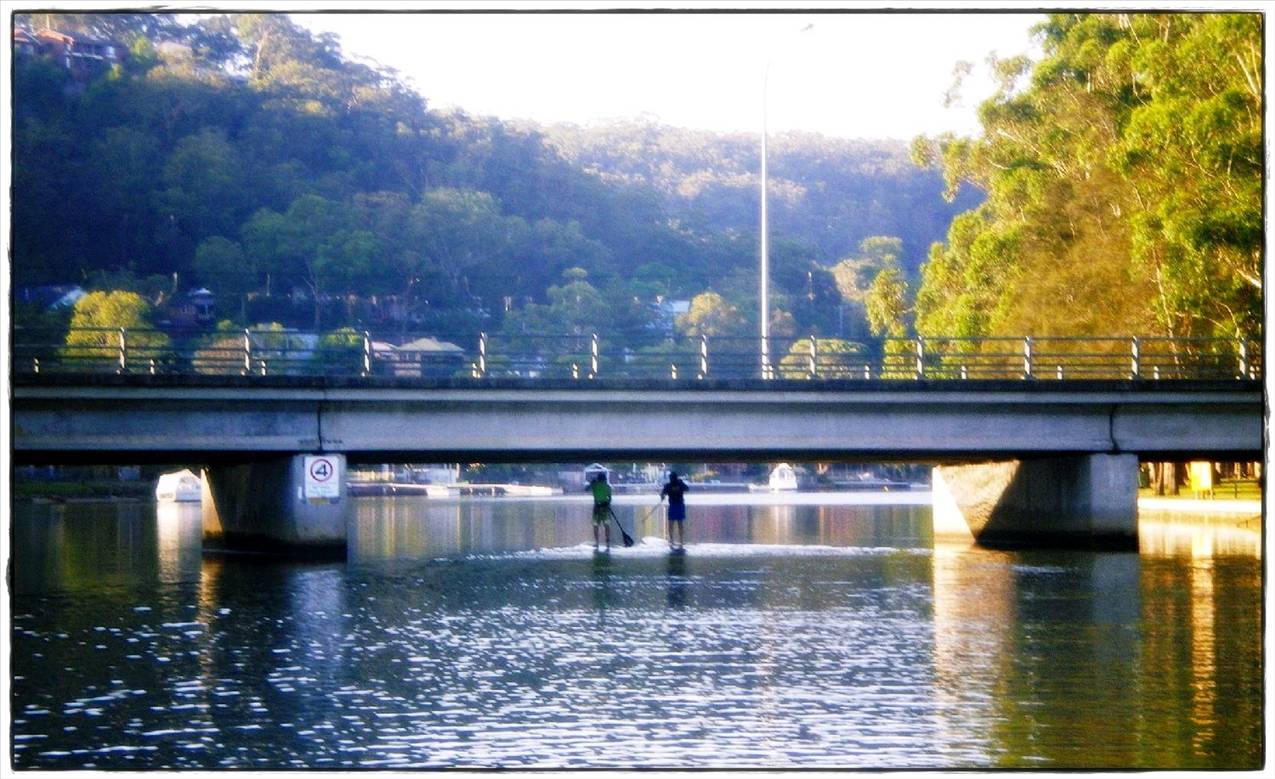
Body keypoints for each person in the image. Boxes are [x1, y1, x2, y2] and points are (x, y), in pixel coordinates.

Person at [660, 471, 690, 550]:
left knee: (678, 524)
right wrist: (662, 496)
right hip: (673, 505)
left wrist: (680, 485)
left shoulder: (679, 483)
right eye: (670, 478)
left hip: (679, 505)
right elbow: (662, 493)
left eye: (672, 478)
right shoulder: (668, 485)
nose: (671, 479)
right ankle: (672, 540)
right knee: (672, 524)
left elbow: (687, 488)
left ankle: (680, 540)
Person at [587, 472, 613, 549]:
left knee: (596, 525)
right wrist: (608, 504)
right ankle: (607, 541)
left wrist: (592, 482)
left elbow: (586, 489)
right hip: (605, 508)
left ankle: (597, 542)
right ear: (605, 479)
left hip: (597, 508)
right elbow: (610, 498)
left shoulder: (594, 485)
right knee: (607, 525)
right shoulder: (608, 486)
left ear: (598, 478)